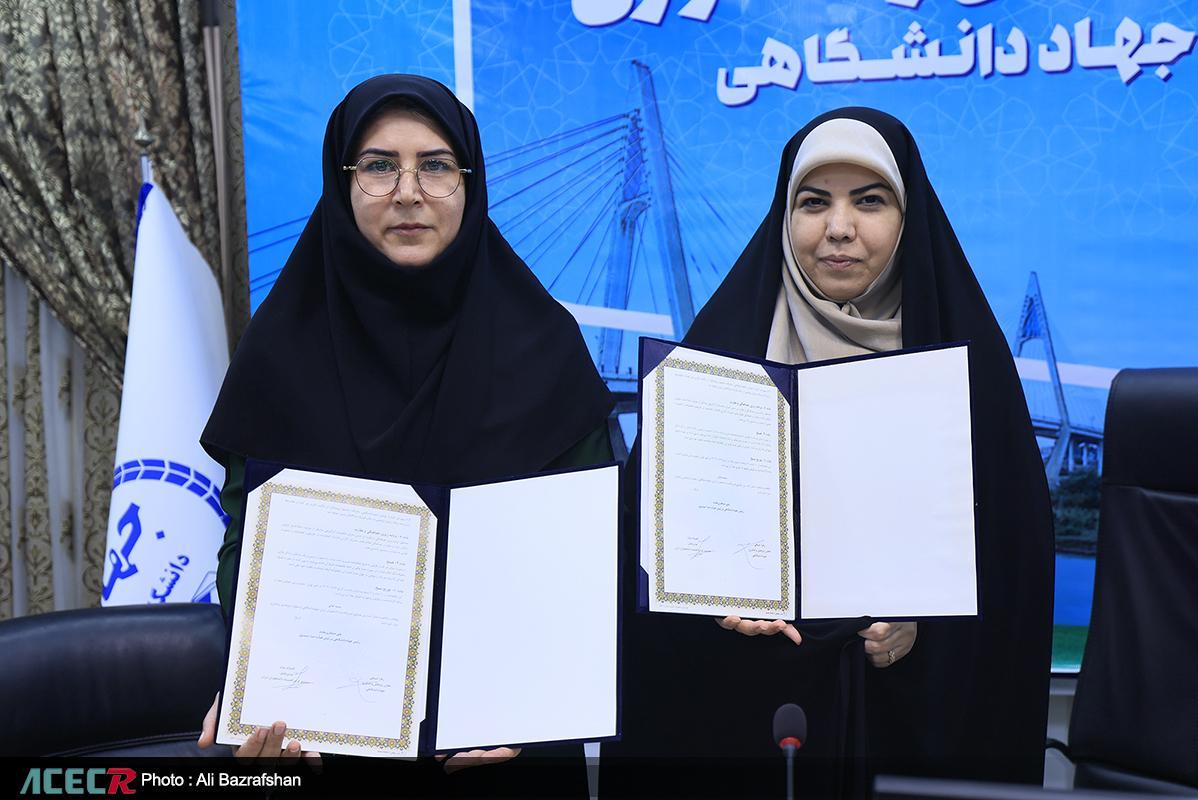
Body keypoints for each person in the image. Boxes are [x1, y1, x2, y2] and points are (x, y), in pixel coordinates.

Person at [602, 107, 1054, 798]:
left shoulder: (973, 375)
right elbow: (640, 558)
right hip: (746, 725)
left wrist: (927, 624)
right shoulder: (714, 360)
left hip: (907, 732)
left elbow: (1013, 572)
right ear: (784, 218)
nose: (839, 228)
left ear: (908, 217)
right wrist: (703, 601)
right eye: (813, 203)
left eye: (869, 201)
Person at [195, 74, 613, 795]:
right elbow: (244, 548)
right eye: (380, 166)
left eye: (437, 166)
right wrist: (249, 682)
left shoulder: (546, 348)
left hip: (508, 750)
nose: (409, 192)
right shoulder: (280, 352)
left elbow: (591, 555)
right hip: (321, 747)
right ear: (342, 183)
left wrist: (534, 701)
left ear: (470, 183)